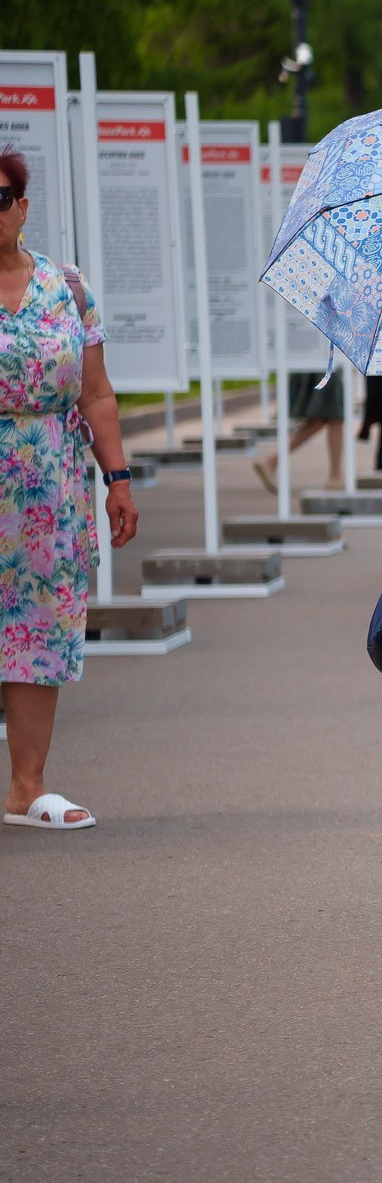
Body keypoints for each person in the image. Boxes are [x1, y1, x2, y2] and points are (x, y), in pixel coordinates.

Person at [0, 149, 139, 830]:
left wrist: (117, 478)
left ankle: (27, 787)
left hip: (50, 483)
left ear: (23, 207)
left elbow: (97, 393)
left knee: (39, 626)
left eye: (2, 198)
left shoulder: (67, 287)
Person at [253, 372, 345, 492]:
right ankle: (335, 476)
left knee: (321, 420)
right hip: (326, 365)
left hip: (316, 365)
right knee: (334, 417)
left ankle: (272, 461)